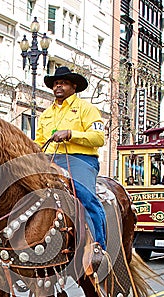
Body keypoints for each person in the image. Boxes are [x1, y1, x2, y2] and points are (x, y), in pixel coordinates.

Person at [35, 66, 106, 249]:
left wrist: (70, 134)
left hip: (81, 160)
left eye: (64, 83)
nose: (59, 86)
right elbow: (39, 142)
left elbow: (99, 138)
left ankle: (98, 246)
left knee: (85, 197)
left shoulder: (86, 109)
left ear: (74, 86)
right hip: (50, 159)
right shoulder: (46, 114)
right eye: (56, 83)